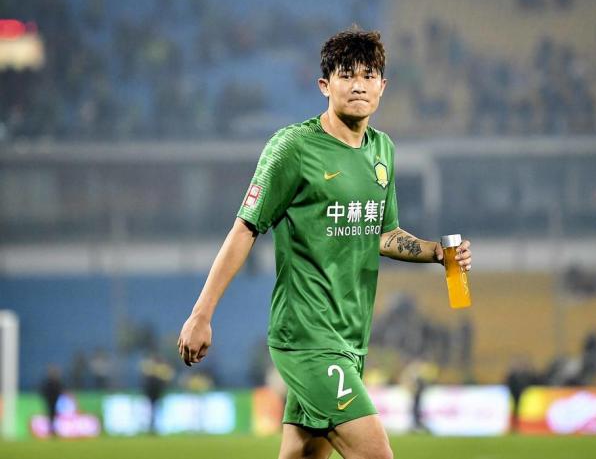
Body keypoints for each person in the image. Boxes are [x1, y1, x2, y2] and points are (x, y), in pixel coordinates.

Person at [177, 27, 472, 459]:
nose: (358, 85)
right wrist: (201, 314)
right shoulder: (293, 148)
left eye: (369, 75)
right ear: (324, 85)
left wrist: (437, 253)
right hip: (307, 337)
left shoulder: (382, 150)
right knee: (376, 454)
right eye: (346, 75)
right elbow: (245, 228)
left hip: (350, 337)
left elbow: (382, 234)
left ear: (383, 86)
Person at [40, 364, 63, 437]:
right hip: (50, 401)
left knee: (53, 416)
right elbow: (44, 391)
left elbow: (60, 391)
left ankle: (52, 430)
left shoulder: (55, 382)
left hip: (54, 401)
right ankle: (51, 430)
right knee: (51, 416)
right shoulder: (50, 383)